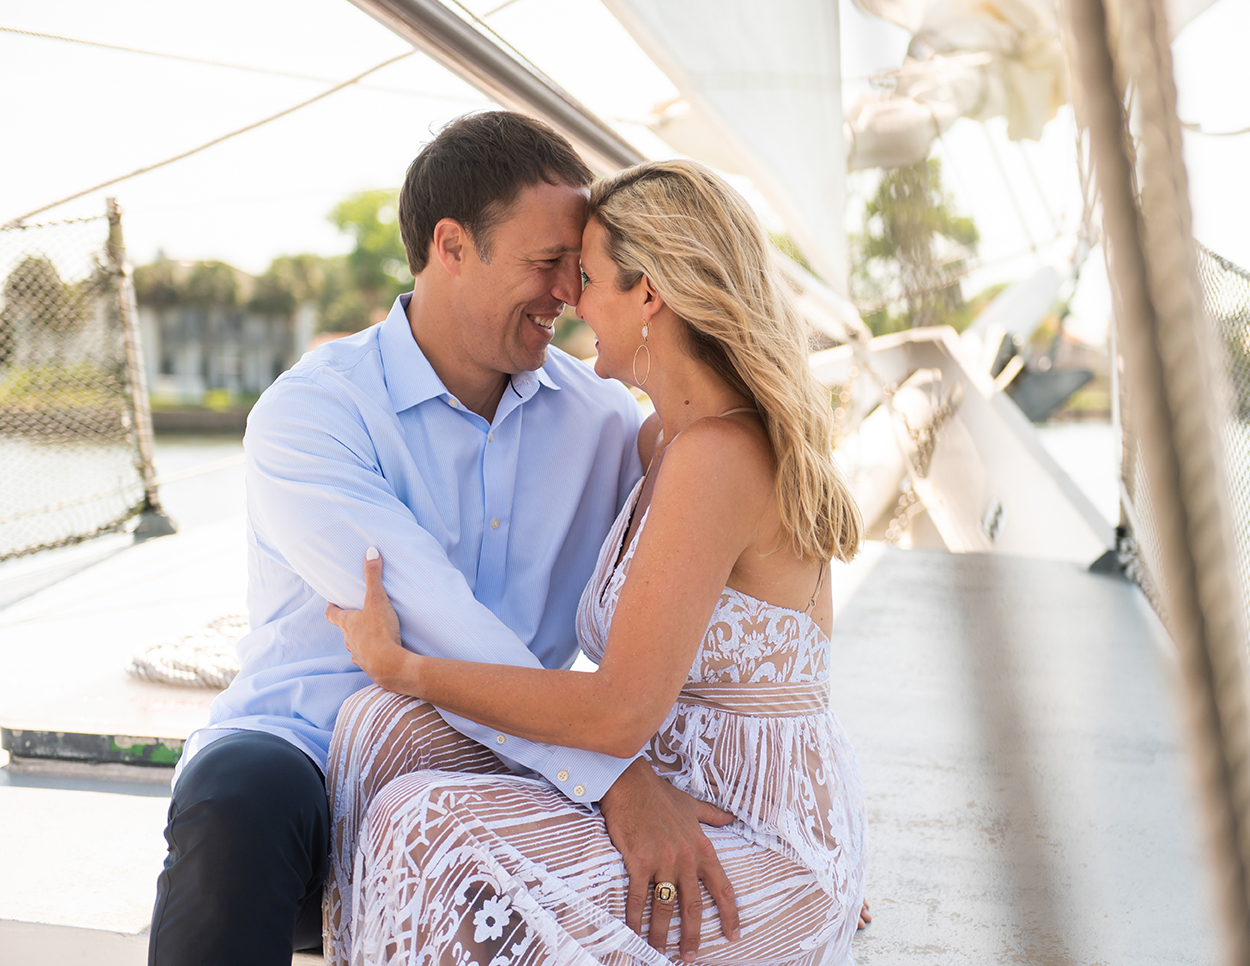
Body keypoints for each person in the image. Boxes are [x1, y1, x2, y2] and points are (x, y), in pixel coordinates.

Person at [148, 113, 741, 966]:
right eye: (547, 263)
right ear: (452, 246)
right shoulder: (312, 414)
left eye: (579, 270)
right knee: (235, 795)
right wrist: (618, 776)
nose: (570, 294)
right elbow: (428, 616)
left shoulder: (605, 421)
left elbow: (702, 583)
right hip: (310, 764)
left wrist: (775, 842)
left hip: (501, 777)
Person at [324, 159, 868, 966]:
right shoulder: (659, 441)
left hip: (755, 829)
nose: (571, 302)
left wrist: (406, 666)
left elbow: (618, 712)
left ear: (649, 296)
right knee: (380, 729)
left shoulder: (719, 455)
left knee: (426, 821)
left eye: (587, 278)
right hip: (669, 781)